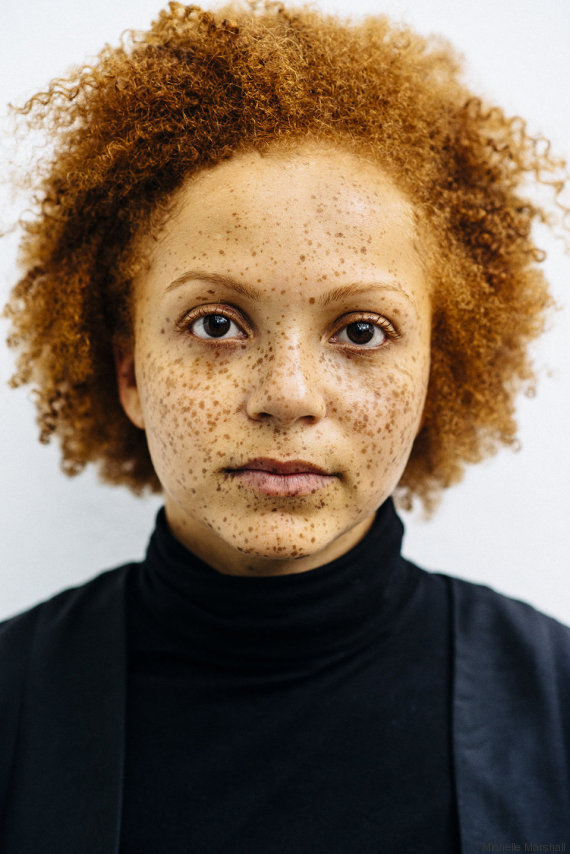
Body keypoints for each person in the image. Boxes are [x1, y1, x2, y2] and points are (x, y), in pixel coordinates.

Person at [1, 2, 569, 851]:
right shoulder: (12, 701)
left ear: (431, 376)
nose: (288, 394)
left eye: (361, 330)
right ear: (129, 374)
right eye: (217, 323)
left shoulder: (558, 707)